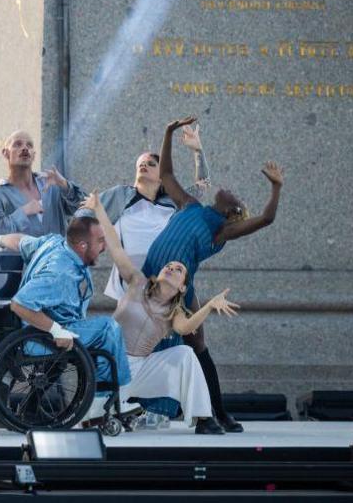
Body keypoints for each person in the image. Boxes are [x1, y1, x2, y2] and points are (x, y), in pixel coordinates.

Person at [141, 117, 285, 433]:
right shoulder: (191, 205)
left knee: (197, 344)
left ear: (233, 213)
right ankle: (139, 408)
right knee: (136, 339)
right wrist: (167, 132)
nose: (229, 189)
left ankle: (216, 412)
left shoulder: (221, 231)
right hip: (148, 279)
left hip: (177, 286)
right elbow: (166, 173)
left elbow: (267, 219)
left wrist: (275, 187)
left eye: (236, 196)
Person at [84, 191, 237, 434]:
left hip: (141, 370)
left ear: (183, 286)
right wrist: (98, 208)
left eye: (178, 269)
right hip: (111, 365)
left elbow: (186, 328)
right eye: (169, 265)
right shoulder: (137, 282)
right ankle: (113, 410)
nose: (171, 267)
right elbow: (114, 245)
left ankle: (204, 419)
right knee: (93, 420)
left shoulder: (173, 311)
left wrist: (208, 306)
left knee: (186, 354)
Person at [0, 218, 130, 388]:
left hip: (43, 330)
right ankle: (111, 394)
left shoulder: (54, 243)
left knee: (97, 331)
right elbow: (19, 304)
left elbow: (20, 241)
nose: (105, 247)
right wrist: (56, 331)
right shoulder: (61, 272)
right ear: (82, 245)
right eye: (100, 241)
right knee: (109, 328)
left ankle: (99, 391)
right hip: (39, 340)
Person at [76, 123, 209, 300]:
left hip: (165, 287)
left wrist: (197, 150)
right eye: (141, 163)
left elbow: (203, 185)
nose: (144, 165)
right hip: (131, 287)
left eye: (151, 163)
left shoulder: (172, 202)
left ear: (162, 176)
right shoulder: (121, 195)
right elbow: (83, 215)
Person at [0, 130, 86, 238]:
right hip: (20, 255)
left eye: (29, 145)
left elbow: (85, 208)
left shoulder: (51, 185)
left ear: (34, 155)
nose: (25, 148)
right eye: (17, 144)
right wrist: (23, 212)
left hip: (57, 255)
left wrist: (64, 185)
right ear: (6, 153)